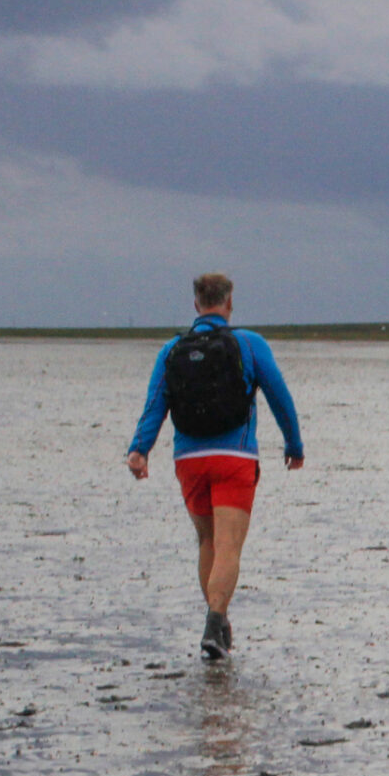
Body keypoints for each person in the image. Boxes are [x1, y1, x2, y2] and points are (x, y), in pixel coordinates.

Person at [126, 272, 304, 661]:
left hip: (188, 461)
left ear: (195, 305)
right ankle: (215, 621)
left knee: (207, 542)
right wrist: (294, 445)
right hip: (234, 458)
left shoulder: (172, 348)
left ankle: (217, 625)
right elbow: (279, 396)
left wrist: (139, 450)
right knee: (228, 546)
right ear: (229, 303)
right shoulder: (249, 343)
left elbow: (156, 402)